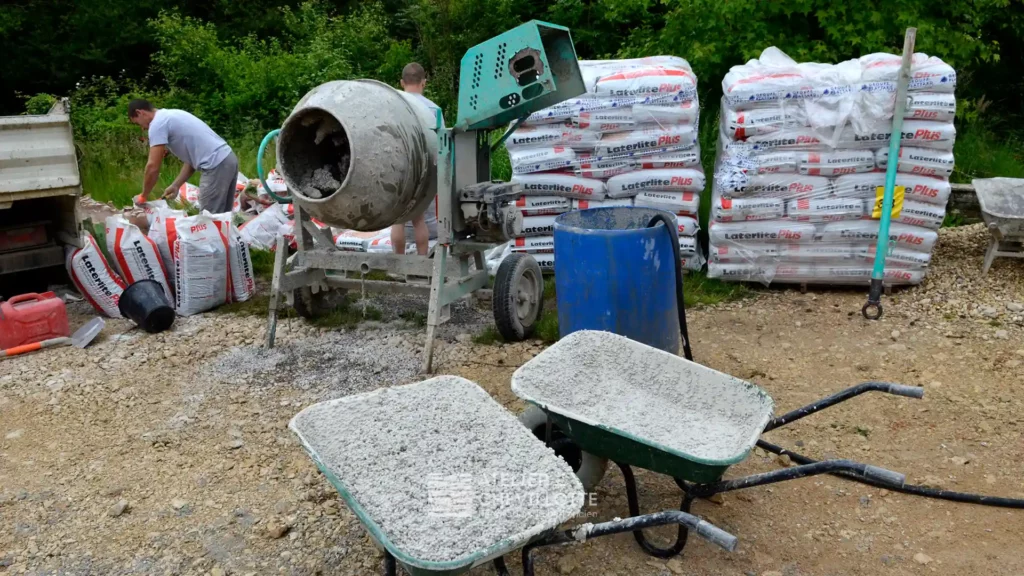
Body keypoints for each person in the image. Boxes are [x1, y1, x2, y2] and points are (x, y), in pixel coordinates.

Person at [128, 99, 239, 213]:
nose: (142, 128)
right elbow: (192, 160)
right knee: (223, 218)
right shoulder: (170, 115)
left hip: (215, 165)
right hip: (227, 159)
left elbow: (152, 167)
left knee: (209, 221)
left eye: (137, 123)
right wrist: (176, 185)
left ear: (140, 113)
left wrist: (143, 195)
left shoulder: (157, 124)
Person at [392, 63, 440, 256]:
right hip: (424, 171)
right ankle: (422, 265)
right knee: (419, 218)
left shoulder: (394, 105)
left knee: (397, 220)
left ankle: (398, 264)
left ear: (402, 82)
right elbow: (440, 145)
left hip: (400, 170)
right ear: (424, 83)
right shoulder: (434, 109)